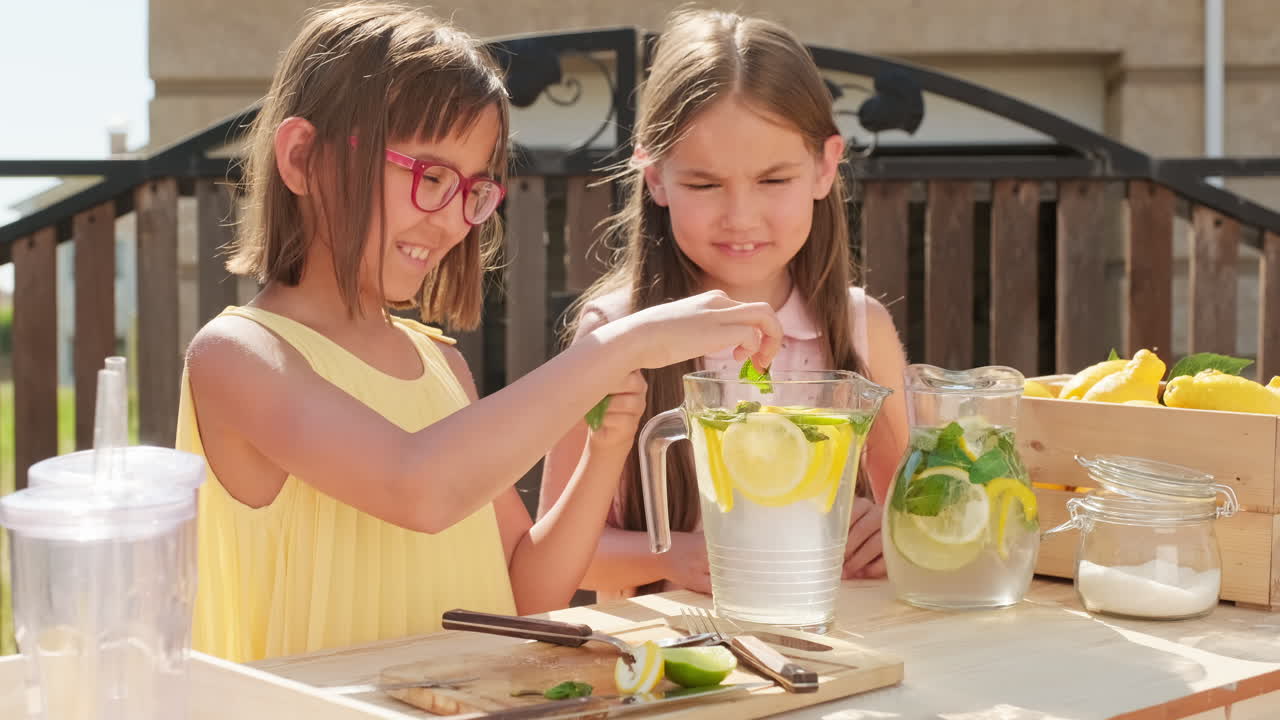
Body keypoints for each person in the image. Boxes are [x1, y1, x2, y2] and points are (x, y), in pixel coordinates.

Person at [176, 2, 782, 662]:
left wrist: (605, 452)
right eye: (430, 176)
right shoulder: (238, 357)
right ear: (302, 158)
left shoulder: (442, 365)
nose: (451, 220)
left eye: (472, 190)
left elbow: (525, 594)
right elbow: (418, 488)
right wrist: (622, 345)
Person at [539, 8, 910, 601]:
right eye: (705, 184)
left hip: (836, 641)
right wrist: (678, 555)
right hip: (670, 647)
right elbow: (564, 557)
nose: (740, 216)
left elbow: (912, 517)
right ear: (655, 177)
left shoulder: (863, 328)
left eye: (773, 181)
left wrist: (885, 534)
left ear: (825, 166)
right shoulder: (614, 334)